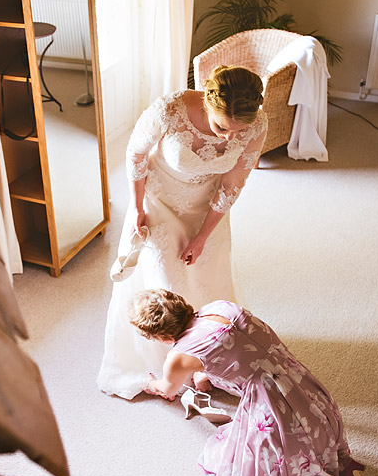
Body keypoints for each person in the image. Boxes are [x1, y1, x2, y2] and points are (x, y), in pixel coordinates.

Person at [130, 289, 370, 476]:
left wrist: (149, 383)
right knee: (314, 435)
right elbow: (234, 349)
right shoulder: (223, 307)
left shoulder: (178, 357)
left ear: (160, 337)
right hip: (306, 388)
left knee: (262, 459)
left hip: (276, 409)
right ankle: (347, 474)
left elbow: (169, 388)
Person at [97, 65, 269, 400]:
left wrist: (203, 235)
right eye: (221, 126)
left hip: (208, 206)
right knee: (168, 280)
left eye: (238, 130)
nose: (228, 138)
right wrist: (138, 208)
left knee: (209, 276)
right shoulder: (169, 110)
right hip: (159, 201)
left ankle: (206, 360)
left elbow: (233, 183)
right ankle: (175, 367)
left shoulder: (257, 123)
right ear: (207, 101)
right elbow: (135, 155)